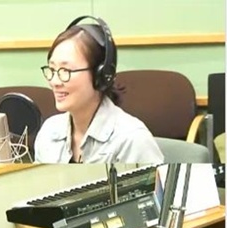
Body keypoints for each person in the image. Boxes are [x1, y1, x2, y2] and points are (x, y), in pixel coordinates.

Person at [34, 16, 164, 164]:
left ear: (100, 75)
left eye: (66, 70)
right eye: (52, 69)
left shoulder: (132, 140)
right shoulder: (49, 132)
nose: (54, 81)